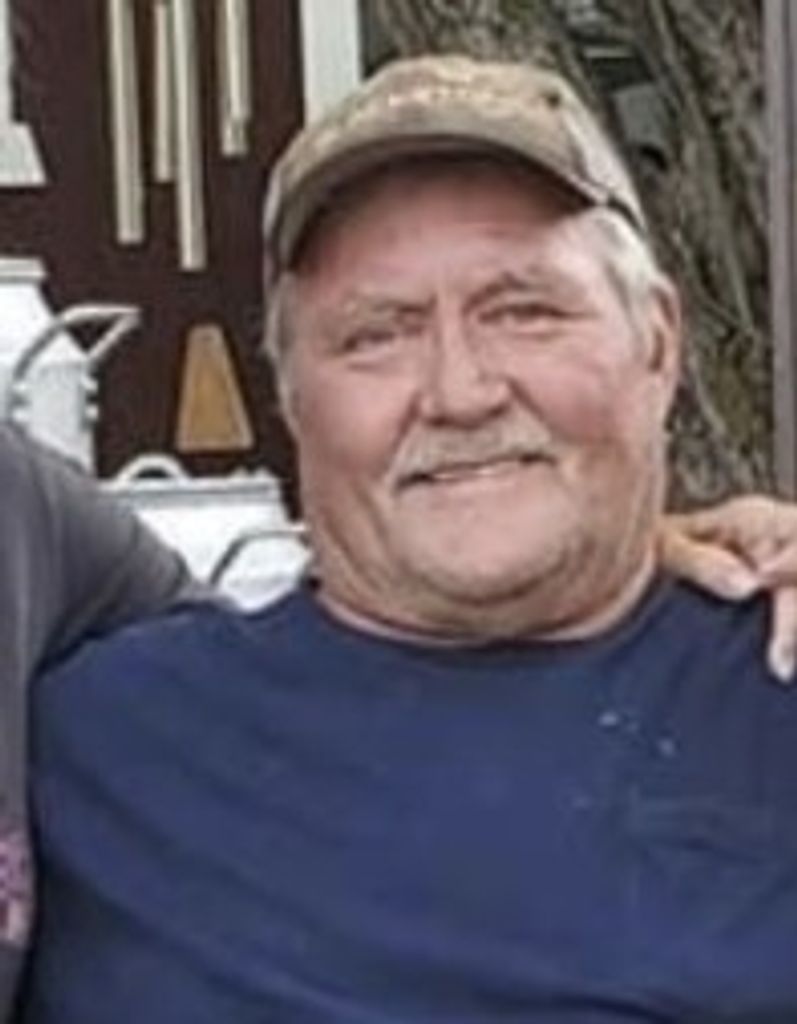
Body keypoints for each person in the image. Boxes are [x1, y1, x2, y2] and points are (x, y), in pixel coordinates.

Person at [17, 54, 797, 1022]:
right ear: (289, 393)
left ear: (658, 343)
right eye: (374, 335)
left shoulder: (769, 692)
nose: (459, 392)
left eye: (523, 312)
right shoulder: (105, 748)